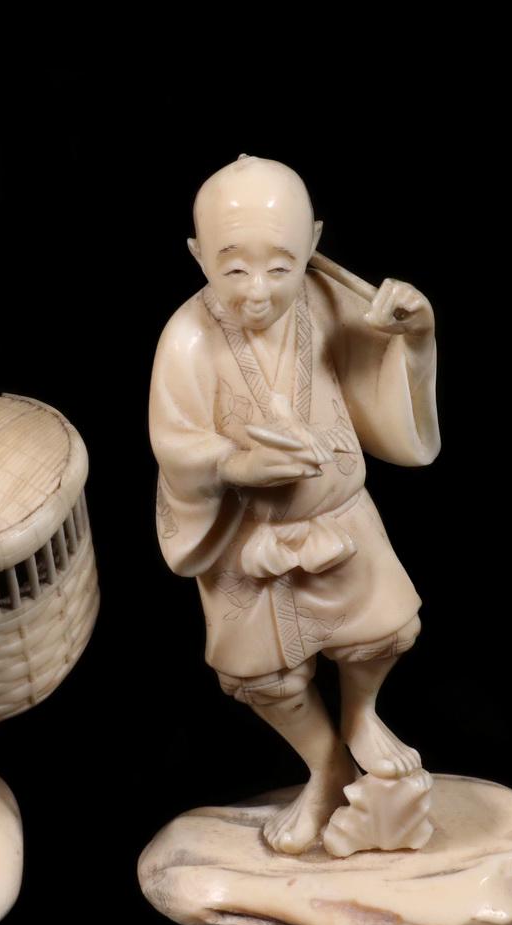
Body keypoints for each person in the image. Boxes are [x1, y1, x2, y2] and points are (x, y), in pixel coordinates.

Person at [149, 156, 440, 854]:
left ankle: (362, 713)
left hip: (342, 521)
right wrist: (234, 465)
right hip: (250, 537)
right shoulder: (187, 336)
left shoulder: (331, 301)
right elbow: (174, 439)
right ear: (196, 255)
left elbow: (381, 381)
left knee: (386, 632)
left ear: (312, 242)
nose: (257, 291)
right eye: (232, 268)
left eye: (280, 268)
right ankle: (324, 764)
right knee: (261, 678)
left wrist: (415, 334)